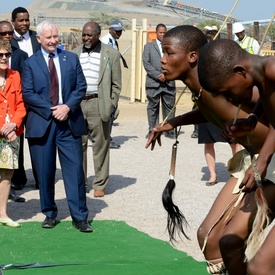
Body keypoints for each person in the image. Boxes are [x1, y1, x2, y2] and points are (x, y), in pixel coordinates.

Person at [145, 25, 275, 275]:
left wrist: (263, 158)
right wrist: (172, 122)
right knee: (213, 238)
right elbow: (259, 106)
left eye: (169, 53)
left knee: (241, 251)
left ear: (192, 56)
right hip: (257, 161)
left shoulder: (247, 76)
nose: (162, 60)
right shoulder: (211, 85)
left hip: (265, 162)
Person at [198, 38, 275, 273]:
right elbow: (270, 100)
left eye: (228, 92)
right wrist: (251, 120)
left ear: (240, 71)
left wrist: (261, 162)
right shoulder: (264, 76)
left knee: (261, 267)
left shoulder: (272, 69)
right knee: (232, 243)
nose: (230, 100)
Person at [21, 20, 92, 232]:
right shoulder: (30, 63)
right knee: (44, 172)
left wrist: (66, 107)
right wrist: (52, 109)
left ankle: (80, 217)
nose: (53, 41)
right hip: (42, 123)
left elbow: (81, 87)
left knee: (75, 172)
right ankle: (49, 213)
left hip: (68, 123)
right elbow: (28, 92)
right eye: (48, 37)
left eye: (55, 36)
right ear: (39, 39)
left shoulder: (71, 58)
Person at [73, 22, 122, 198]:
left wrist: (111, 103)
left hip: (98, 104)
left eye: (89, 35)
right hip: (77, 105)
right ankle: (81, 182)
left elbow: (116, 85)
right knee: (79, 145)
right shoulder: (74, 54)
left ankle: (99, 183)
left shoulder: (111, 54)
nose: (86, 38)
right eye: (84, 35)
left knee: (100, 145)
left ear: (98, 35)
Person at [200, 27, 242, 186]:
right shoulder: (199, 63)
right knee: (208, 142)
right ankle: (212, 175)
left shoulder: (225, 61)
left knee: (233, 141)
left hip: (224, 105)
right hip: (206, 105)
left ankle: (237, 172)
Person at [11, 7, 41, 191]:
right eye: (21, 20)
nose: (24, 23)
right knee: (18, 139)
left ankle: (40, 178)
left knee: (37, 138)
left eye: (26, 20)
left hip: (36, 97)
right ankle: (18, 178)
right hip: (17, 97)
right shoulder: (7, 40)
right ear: (13, 21)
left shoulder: (37, 38)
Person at [0, 20, 28, 202]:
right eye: (0, 55)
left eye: (7, 55)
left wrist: (14, 125)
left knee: (7, 175)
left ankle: (3, 213)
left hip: (11, 133)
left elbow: (20, 104)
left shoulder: (15, 75)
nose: (4, 58)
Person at [142, 23, 176, 139]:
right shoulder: (148, 47)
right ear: (156, 33)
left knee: (170, 107)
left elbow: (176, 63)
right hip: (153, 83)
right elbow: (146, 63)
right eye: (160, 32)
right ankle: (153, 130)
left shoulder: (172, 48)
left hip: (168, 82)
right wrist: (158, 75)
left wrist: (167, 75)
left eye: (164, 32)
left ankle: (169, 130)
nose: (162, 34)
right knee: (153, 107)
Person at [101, 20, 127, 149]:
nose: (119, 33)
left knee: (111, 110)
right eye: (117, 31)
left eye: (121, 31)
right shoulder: (105, 41)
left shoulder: (112, 41)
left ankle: (106, 136)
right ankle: (106, 138)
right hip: (106, 81)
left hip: (112, 79)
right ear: (110, 29)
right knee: (109, 110)